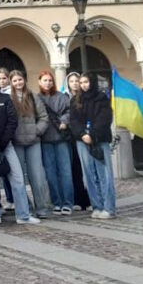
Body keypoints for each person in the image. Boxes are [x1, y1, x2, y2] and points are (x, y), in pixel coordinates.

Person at [0, 72, 38, 225]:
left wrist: (4, 140)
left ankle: (23, 214)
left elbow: (12, 120)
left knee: (17, 178)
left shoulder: (5, 99)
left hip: (6, 145)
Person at [69, 73, 117, 219]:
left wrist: (92, 134)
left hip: (99, 139)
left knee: (104, 174)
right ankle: (97, 206)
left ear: (93, 82)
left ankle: (109, 208)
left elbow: (104, 118)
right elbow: (74, 121)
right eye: (81, 82)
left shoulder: (102, 98)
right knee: (89, 174)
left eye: (86, 82)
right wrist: (82, 134)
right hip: (82, 140)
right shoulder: (75, 100)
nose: (83, 85)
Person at [9, 70, 53, 218]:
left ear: (24, 80)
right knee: (19, 177)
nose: (18, 83)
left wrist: (37, 131)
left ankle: (41, 208)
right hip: (17, 142)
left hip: (33, 141)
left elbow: (43, 117)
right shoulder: (9, 98)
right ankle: (25, 207)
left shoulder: (33, 96)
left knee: (37, 176)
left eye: (19, 80)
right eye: (14, 81)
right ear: (11, 83)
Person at [36, 71, 75, 215]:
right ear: (39, 82)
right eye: (45, 80)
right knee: (50, 173)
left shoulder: (61, 97)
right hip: (46, 139)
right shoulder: (37, 98)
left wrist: (64, 121)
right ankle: (56, 202)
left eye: (50, 80)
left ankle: (68, 202)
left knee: (65, 172)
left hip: (61, 138)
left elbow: (69, 111)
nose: (47, 83)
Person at [65, 73, 91, 212]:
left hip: (86, 135)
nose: (75, 83)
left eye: (77, 81)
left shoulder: (86, 97)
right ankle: (79, 199)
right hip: (72, 137)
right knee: (76, 169)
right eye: (72, 81)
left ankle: (91, 198)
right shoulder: (65, 97)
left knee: (89, 169)